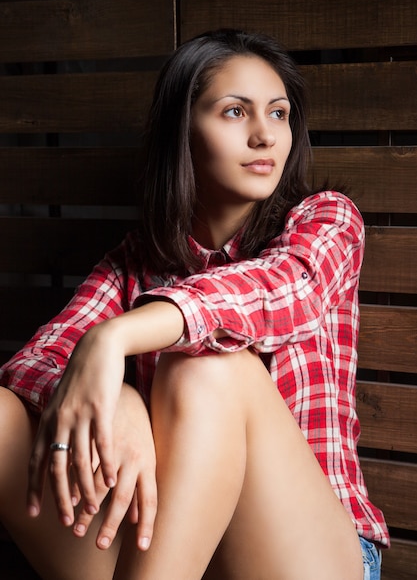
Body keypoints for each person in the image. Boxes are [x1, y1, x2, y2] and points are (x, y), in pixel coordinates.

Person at [0, 29, 388, 579]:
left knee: (207, 369)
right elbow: (28, 367)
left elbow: (284, 288)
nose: (264, 136)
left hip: (310, 553)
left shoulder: (326, 220)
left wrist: (117, 338)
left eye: (278, 114)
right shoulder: (133, 262)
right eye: (235, 112)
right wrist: (120, 403)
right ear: (182, 132)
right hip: (174, 549)